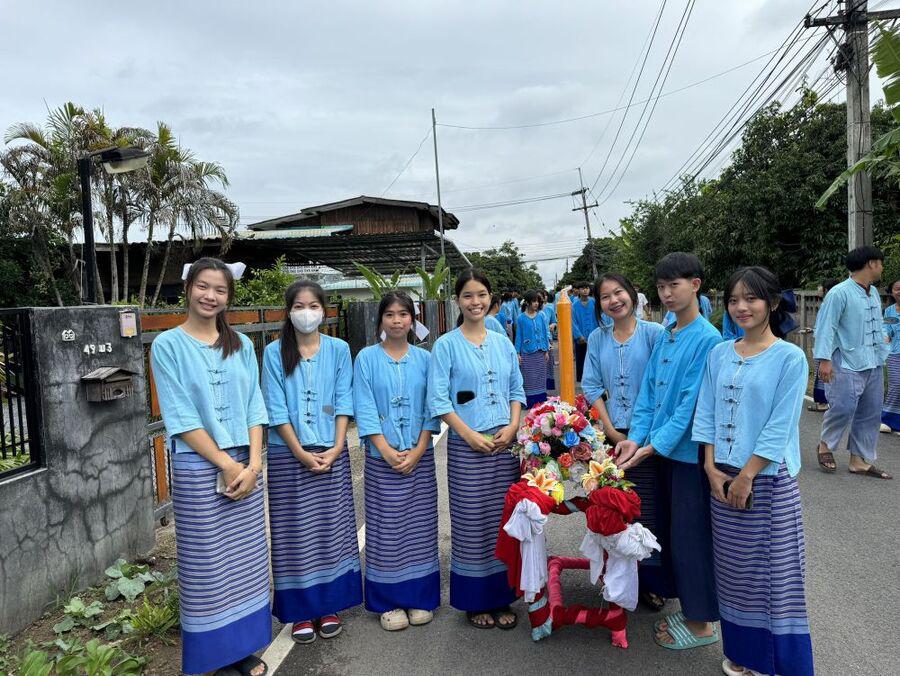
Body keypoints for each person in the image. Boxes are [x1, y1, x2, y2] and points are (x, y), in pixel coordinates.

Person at [150, 258, 270, 676]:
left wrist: (253, 464)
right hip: (198, 465)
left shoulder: (241, 345)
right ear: (187, 288)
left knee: (247, 561)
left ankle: (244, 648)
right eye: (202, 286)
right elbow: (180, 416)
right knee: (207, 563)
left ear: (228, 296)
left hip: (246, 464)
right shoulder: (167, 345)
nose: (210, 296)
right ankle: (214, 659)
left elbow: (255, 404)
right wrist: (226, 464)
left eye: (219, 289)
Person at [693, 266, 813, 676]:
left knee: (772, 575)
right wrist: (710, 466)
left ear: (772, 303)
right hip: (721, 477)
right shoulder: (718, 354)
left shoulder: (789, 358)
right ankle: (744, 654)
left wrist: (747, 476)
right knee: (734, 573)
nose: (741, 307)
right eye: (733, 300)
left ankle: (777, 663)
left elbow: (781, 424)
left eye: (751, 298)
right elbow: (706, 410)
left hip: (768, 481)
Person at [615, 252, 722, 650]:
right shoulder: (667, 333)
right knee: (673, 535)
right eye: (661, 287)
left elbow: (689, 407)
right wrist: (636, 438)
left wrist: (650, 447)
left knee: (692, 539)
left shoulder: (708, 339)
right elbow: (648, 394)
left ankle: (702, 625)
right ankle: (692, 611)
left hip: (688, 457)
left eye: (674, 285)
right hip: (662, 453)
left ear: (695, 285)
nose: (667, 293)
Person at [262, 280, 362, 644]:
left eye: (314, 306)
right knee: (293, 532)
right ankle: (301, 611)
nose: (307, 313)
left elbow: (344, 399)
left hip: (332, 450)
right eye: (299, 306)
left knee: (331, 527)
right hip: (288, 455)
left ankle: (330, 605)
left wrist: (336, 447)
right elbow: (275, 407)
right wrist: (300, 452)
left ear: (324, 310)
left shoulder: (339, 349)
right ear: (289, 311)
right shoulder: (274, 352)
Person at [427, 270, 525, 630]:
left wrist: (513, 426)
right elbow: (439, 399)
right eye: (468, 296)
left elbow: (517, 388)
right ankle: (475, 601)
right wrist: (468, 435)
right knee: (472, 522)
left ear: (490, 297)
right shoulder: (446, 345)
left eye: (481, 294)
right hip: (467, 448)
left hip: (505, 448)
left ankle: (503, 597)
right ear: (458, 301)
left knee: (505, 521)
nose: (475, 302)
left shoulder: (502, 342)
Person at [581, 273, 671, 612]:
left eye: (618, 292)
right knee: (618, 509)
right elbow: (591, 386)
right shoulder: (597, 337)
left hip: (650, 437)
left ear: (632, 294)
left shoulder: (655, 333)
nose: (613, 300)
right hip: (613, 435)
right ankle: (619, 579)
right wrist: (611, 430)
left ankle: (652, 581)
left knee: (650, 508)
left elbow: (663, 383)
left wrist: (639, 434)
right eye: (605, 296)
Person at [353, 292, 441, 632]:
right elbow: (363, 406)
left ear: (413, 319)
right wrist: (385, 449)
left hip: (420, 457)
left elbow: (432, 405)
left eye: (403, 314)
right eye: (390, 314)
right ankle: (387, 601)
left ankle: (420, 596)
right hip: (381, 459)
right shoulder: (366, 358)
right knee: (385, 528)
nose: (397, 320)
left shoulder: (425, 359)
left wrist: (419, 449)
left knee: (420, 527)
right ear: (381, 320)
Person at [814, 246, 891, 479]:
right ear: (871, 263)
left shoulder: (873, 292)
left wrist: (883, 340)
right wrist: (824, 360)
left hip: (873, 360)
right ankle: (825, 445)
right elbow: (826, 327)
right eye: (880, 262)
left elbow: (877, 322)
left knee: (871, 411)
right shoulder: (839, 293)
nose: (882, 267)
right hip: (845, 360)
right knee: (843, 406)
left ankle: (858, 460)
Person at [808, 279, 840, 412]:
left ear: (827, 289)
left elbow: (826, 327)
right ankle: (827, 403)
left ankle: (824, 403)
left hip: (826, 345)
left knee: (822, 374)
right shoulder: (828, 303)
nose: (818, 289)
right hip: (828, 343)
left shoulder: (828, 304)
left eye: (821, 287)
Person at [515, 289, 551, 406]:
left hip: (540, 352)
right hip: (527, 352)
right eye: (534, 301)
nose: (536, 303)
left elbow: (545, 332)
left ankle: (541, 401)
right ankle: (529, 402)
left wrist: (546, 350)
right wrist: (517, 353)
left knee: (540, 377)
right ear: (527, 302)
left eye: (537, 301)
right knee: (529, 378)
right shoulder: (521, 318)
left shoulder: (541, 316)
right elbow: (519, 336)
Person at [881, 277, 900, 433]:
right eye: (897, 289)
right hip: (895, 353)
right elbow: (886, 332)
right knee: (896, 384)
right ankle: (888, 419)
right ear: (892, 292)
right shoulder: (889, 311)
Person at [572, 281, 600, 382]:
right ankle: (582, 381)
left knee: (595, 359)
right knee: (581, 360)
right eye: (582, 288)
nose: (585, 290)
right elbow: (573, 322)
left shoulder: (594, 303)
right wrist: (578, 336)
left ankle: (595, 380)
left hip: (595, 336)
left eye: (587, 288)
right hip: (581, 339)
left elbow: (600, 318)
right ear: (578, 290)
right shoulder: (574, 305)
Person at [541, 290, 558, 390]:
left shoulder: (549, 308)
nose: (542, 298)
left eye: (544, 296)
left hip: (549, 339)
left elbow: (554, 321)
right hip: (538, 341)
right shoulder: (533, 310)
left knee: (548, 364)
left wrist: (553, 325)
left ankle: (547, 389)